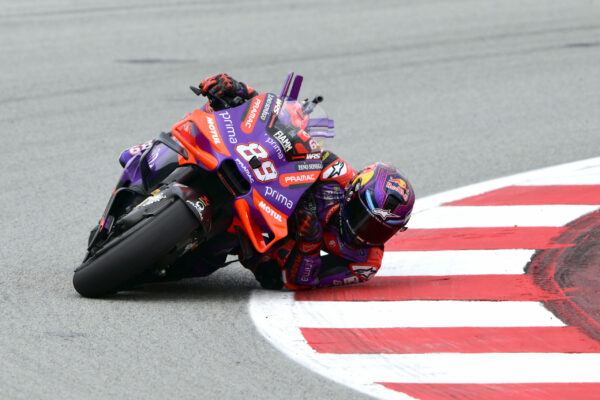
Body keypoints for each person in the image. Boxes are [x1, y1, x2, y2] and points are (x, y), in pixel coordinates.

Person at [122, 73, 415, 290]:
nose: (366, 233)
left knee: (200, 268)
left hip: (264, 246)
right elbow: (287, 135)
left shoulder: (364, 262)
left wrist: (310, 241)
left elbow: (300, 281)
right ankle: (151, 158)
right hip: (260, 195)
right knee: (207, 126)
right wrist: (242, 92)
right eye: (364, 218)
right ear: (353, 193)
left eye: (380, 231)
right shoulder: (336, 172)